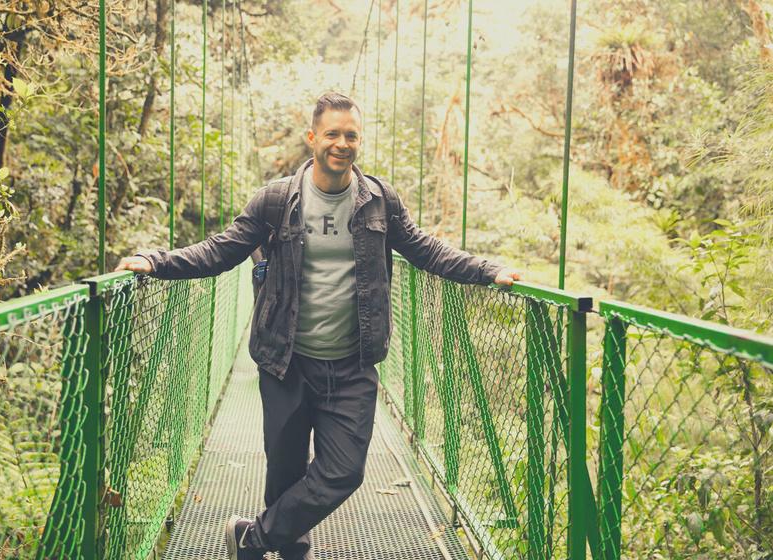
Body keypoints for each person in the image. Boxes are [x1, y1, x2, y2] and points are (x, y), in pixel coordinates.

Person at [115, 92, 522, 560]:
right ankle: (290, 547)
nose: (342, 144)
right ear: (312, 137)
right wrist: (157, 261)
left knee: (344, 471)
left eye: (351, 135)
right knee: (285, 471)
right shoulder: (275, 200)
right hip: (286, 360)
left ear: (359, 140)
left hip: (352, 364)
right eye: (332, 134)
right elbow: (221, 250)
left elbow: (425, 249)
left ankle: (252, 538)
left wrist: (486, 269)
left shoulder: (380, 201)